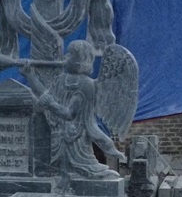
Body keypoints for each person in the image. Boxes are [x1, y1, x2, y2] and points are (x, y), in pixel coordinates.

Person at [21, 40, 125, 179]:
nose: (65, 57)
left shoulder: (86, 85)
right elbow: (45, 95)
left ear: (81, 60)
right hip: (58, 136)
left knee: (79, 169)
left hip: (76, 137)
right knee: (57, 170)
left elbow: (70, 114)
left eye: (70, 54)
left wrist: (51, 104)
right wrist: (30, 76)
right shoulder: (61, 79)